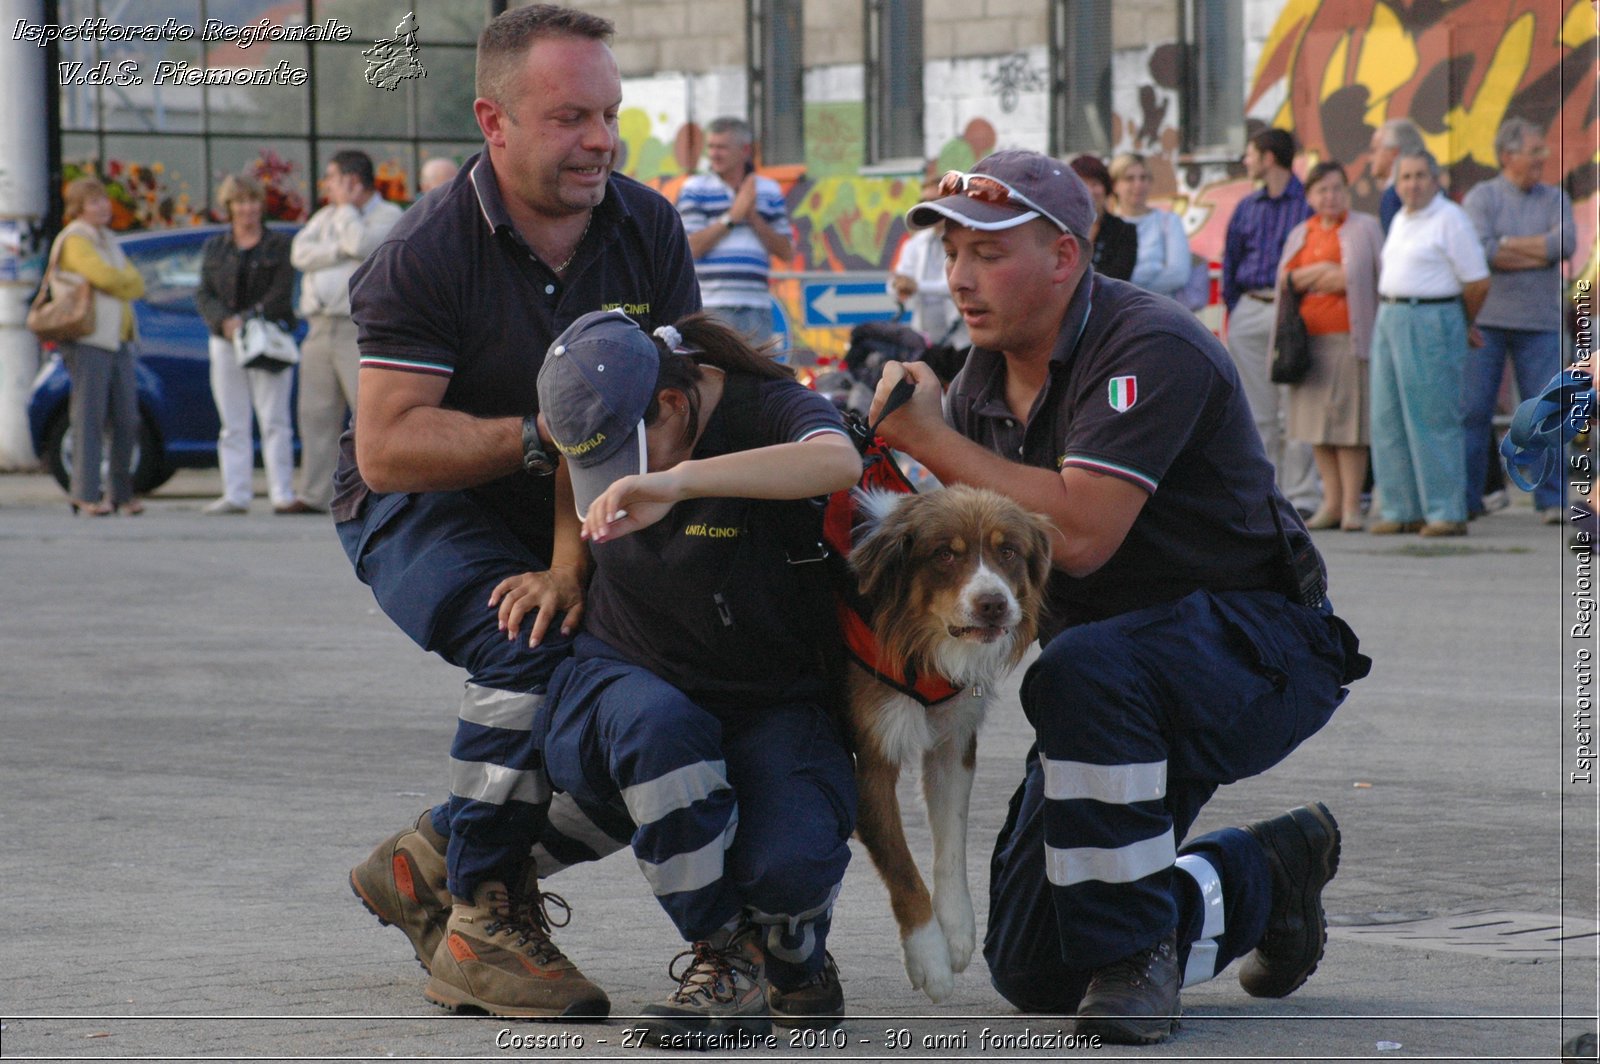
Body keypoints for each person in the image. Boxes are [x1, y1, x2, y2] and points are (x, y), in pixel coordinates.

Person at [866, 150, 1367, 1045]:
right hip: (1114, 698)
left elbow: (1085, 536)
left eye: (988, 253)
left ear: (1065, 257)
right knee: (1036, 967)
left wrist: (930, 440)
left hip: (1252, 648)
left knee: (1081, 669)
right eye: (951, 255)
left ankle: (1139, 962)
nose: (961, 278)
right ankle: (1266, 874)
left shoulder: (1148, 344)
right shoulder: (981, 383)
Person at [337, 5, 699, 1021]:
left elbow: (677, 401)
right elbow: (389, 445)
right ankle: (483, 914)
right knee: (526, 631)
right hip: (419, 507)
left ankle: (427, 859)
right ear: (493, 121)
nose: (599, 139)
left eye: (609, 115)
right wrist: (551, 436)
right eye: (570, 116)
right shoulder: (424, 248)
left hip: (581, 505)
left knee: (656, 689)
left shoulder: (648, 224)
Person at [534, 309, 862, 1043]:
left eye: (627, 457)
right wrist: (563, 567)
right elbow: (568, 471)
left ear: (675, 405)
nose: (617, 482)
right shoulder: (594, 391)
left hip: (768, 698)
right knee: (661, 730)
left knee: (788, 866)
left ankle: (793, 950)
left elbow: (837, 461)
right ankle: (725, 958)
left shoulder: (763, 405)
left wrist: (679, 482)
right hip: (628, 677)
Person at [1369, 148, 1490, 537]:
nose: (1413, 184)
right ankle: (1402, 508)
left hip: (1431, 316)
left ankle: (1446, 511)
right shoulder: (1402, 218)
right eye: (1405, 177)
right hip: (1390, 315)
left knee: (1432, 417)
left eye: (1421, 175)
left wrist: (1461, 322)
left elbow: (1477, 281)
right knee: (1387, 418)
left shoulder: (1449, 219)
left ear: (1435, 179)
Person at [1461, 117, 1575, 524]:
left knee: (1546, 412)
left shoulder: (1555, 198)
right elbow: (1481, 250)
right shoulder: (1482, 197)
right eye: (1535, 151)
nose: (1543, 159)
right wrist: (1536, 251)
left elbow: (1564, 244)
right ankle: (1468, 501)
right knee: (1473, 412)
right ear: (1507, 156)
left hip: (1540, 324)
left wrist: (1506, 244)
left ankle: (1552, 500)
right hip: (1486, 323)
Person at [287, 149, 402, 514]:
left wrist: (350, 213)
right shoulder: (325, 216)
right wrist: (338, 248)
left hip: (358, 327)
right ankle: (313, 493)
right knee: (315, 412)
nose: (328, 186)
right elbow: (300, 254)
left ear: (353, 181)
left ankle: (377, 492)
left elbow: (363, 246)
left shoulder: (388, 215)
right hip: (319, 326)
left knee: (367, 411)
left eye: (333, 178)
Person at [1271, 162, 1383, 532]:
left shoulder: (1365, 228)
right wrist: (1321, 274)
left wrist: (1318, 277)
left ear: (1346, 191)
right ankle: (1330, 504)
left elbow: (1360, 277)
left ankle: (1352, 506)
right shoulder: (1301, 233)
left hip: (1350, 340)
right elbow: (1287, 278)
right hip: (1308, 343)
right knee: (1317, 427)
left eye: (1336, 189)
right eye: (1322, 190)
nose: (1330, 196)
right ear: (1309, 196)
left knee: (1349, 427)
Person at [1221, 127, 1320, 515]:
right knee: (1256, 411)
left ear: (1268, 158)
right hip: (1250, 306)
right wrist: (1237, 308)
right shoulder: (1246, 207)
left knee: (1298, 408)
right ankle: (1267, 496)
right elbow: (1230, 261)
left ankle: (1303, 496)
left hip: (1293, 313)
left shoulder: (1307, 204)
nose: (1246, 162)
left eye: (1250, 154)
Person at [194, 174, 300, 515]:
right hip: (225, 341)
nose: (247, 208)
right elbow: (203, 292)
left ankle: (281, 492)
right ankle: (236, 493)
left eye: (253, 201)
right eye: (240, 202)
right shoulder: (215, 247)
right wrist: (224, 321)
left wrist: (251, 317)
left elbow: (282, 291)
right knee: (232, 422)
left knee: (274, 419)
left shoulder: (279, 245)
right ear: (229, 207)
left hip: (268, 338)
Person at [53, 176, 146, 516]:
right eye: (94, 202)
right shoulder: (75, 239)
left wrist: (120, 283)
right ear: (78, 208)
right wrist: (121, 282)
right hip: (89, 339)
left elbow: (136, 281)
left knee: (127, 417)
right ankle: (85, 493)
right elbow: (103, 277)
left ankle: (121, 493)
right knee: (89, 416)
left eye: (104, 200)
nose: (103, 207)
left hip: (118, 339)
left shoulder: (108, 238)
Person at [676, 116, 794, 344]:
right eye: (710, 147)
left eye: (722, 147)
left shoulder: (768, 191)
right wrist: (733, 216)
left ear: (745, 150)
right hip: (710, 305)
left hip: (756, 307)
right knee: (713, 375)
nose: (713, 154)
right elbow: (690, 248)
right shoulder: (695, 189)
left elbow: (787, 251)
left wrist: (753, 217)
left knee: (755, 379)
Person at [887, 167, 969, 348]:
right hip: (925, 339)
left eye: (934, 201)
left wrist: (915, 286)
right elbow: (895, 287)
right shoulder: (915, 244)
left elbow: (955, 286)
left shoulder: (965, 239)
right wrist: (899, 286)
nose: (928, 207)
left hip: (961, 340)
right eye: (923, 201)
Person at [1110, 152, 1191, 301]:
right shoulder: (1107, 226)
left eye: (1144, 178)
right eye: (1130, 179)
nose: (1138, 184)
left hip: (1159, 310)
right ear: (1115, 185)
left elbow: (1178, 274)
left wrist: (1132, 293)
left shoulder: (1169, 221)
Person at [1069, 154, 1136, 281]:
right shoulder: (1058, 228)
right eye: (1082, 183)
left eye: (1095, 184)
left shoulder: (1124, 231)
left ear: (1106, 188)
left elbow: (1118, 278)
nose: (1089, 191)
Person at [1368, 118, 1426, 233]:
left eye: (1374, 150)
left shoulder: (1393, 196)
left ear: (1394, 153)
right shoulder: (1434, 192)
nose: (1370, 158)